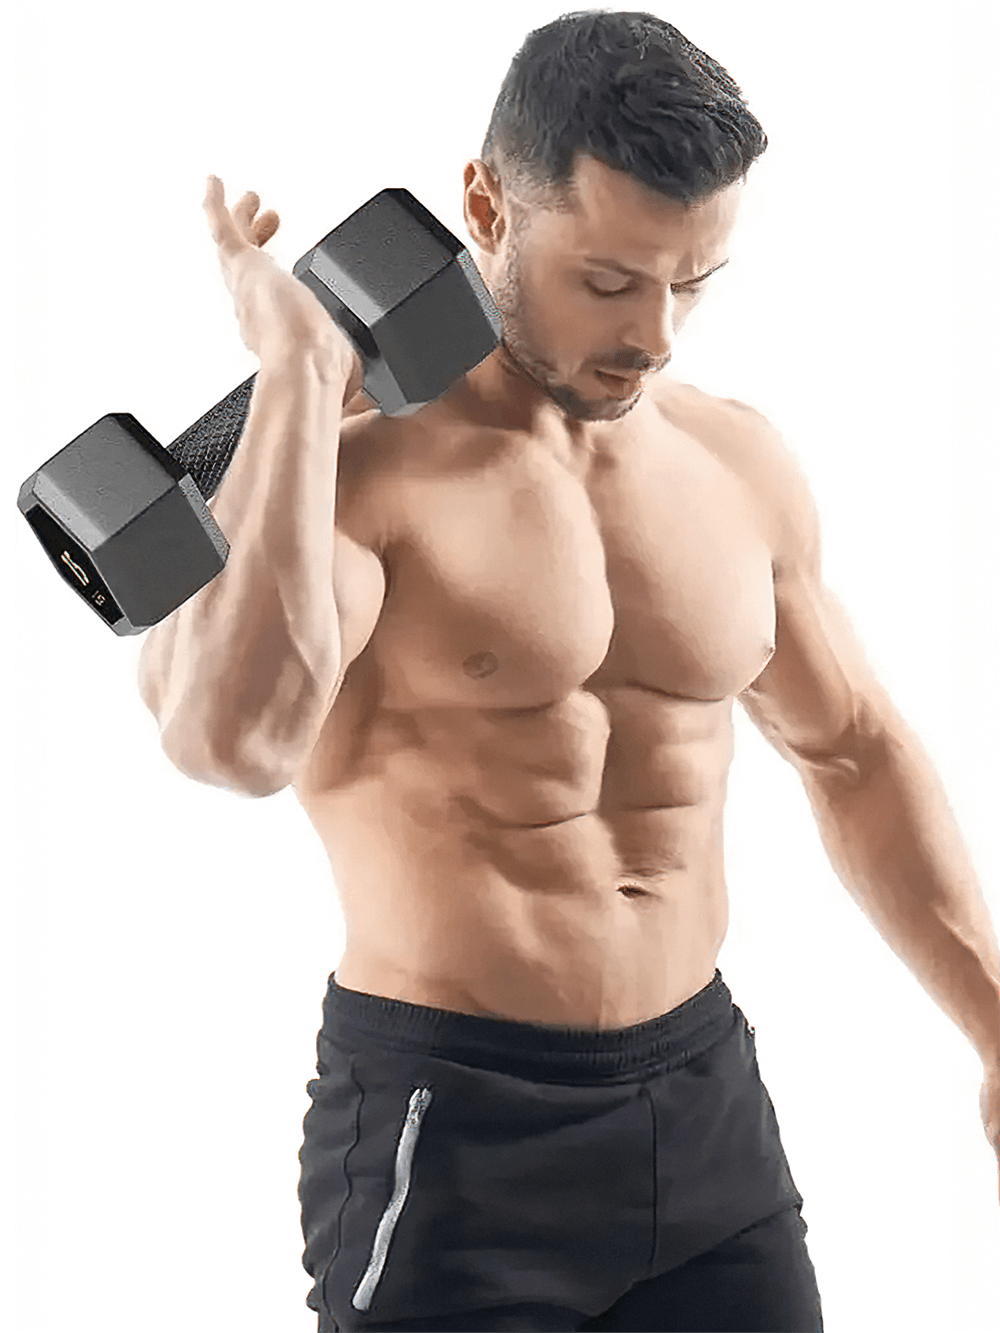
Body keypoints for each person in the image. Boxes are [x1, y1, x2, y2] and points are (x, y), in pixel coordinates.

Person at [137, 10, 1000, 1332]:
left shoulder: (733, 462)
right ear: (486, 202)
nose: (655, 334)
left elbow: (856, 749)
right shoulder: (364, 477)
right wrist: (300, 380)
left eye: (690, 282)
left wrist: (994, 1021)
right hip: (456, 1137)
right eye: (608, 281)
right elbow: (229, 742)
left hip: (708, 1107)